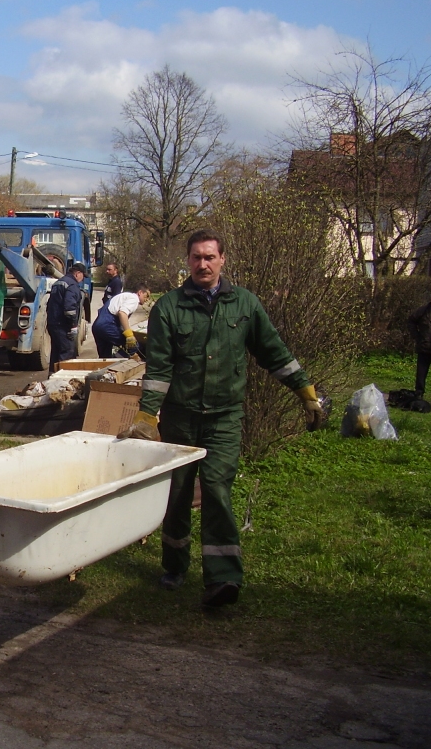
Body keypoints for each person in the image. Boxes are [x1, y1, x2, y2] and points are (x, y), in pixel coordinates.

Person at [120, 229, 323, 609]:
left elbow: (274, 353)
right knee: (177, 495)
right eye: (196, 257)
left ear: (223, 260)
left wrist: (305, 393)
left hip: (224, 419)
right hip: (181, 419)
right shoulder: (169, 308)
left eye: (210, 257)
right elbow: (160, 369)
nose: (203, 264)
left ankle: (223, 577)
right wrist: (148, 416)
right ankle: (175, 565)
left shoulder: (244, 304)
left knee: (216, 490)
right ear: (188, 261)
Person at [46, 262, 87, 372]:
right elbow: (70, 309)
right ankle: (62, 383)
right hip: (63, 326)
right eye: (83, 276)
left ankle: (52, 379)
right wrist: (73, 325)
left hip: (53, 324)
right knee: (67, 352)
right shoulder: (72, 285)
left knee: (55, 353)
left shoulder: (58, 283)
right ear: (78, 273)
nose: (82, 279)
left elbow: (49, 304)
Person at [92, 284, 151, 358]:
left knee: (105, 358)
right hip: (107, 326)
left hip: (97, 327)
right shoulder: (134, 299)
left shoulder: (124, 296)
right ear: (140, 292)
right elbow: (122, 313)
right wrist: (129, 335)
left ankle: (108, 366)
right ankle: (119, 364)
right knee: (133, 346)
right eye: (146, 295)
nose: (147, 299)